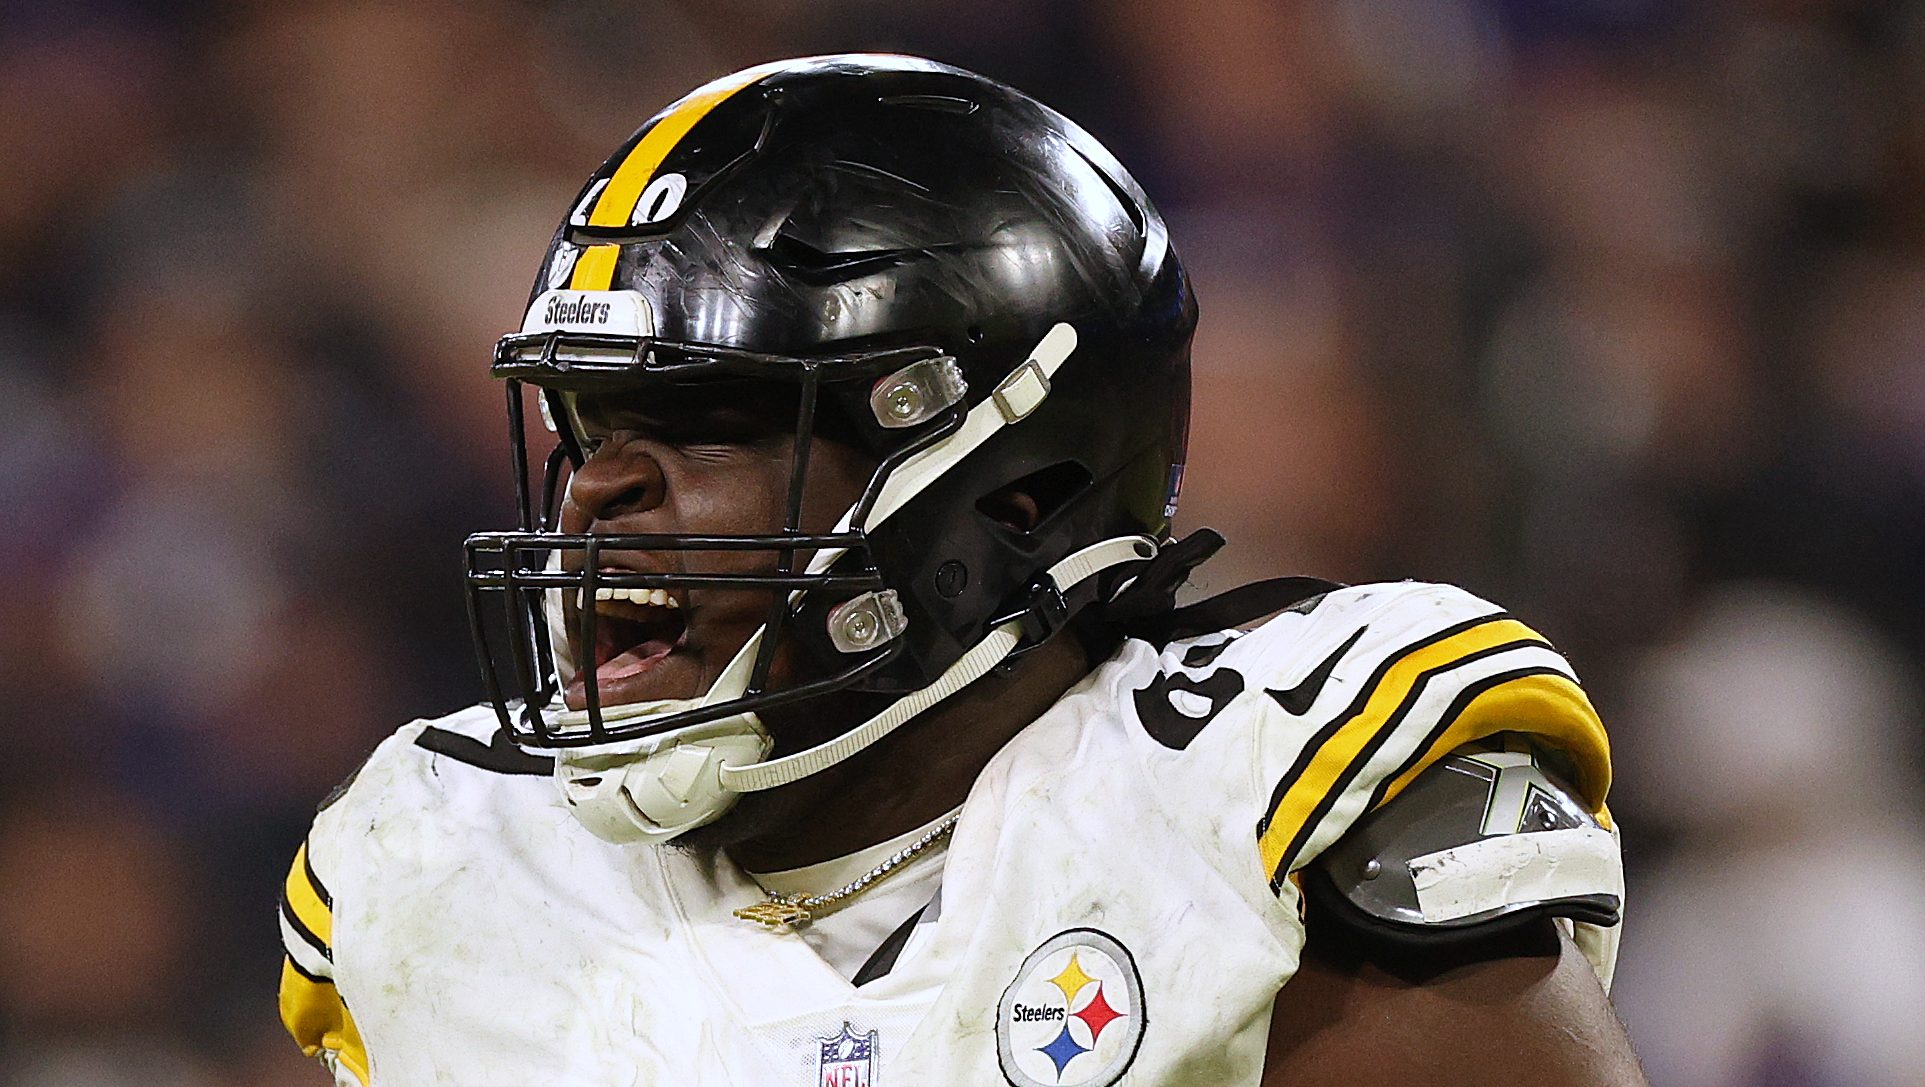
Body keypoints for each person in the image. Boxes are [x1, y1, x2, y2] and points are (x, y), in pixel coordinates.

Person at [277, 55, 1644, 1086]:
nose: (596, 490)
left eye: (708, 421)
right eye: (589, 430)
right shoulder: (449, 864)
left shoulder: (1239, 801)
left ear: (1015, 487)